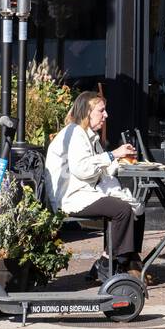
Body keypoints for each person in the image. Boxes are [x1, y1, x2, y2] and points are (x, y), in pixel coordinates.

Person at [44, 90, 144, 277]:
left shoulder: (89, 136)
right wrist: (113, 154)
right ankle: (110, 264)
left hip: (86, 191)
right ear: (87, 112)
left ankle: (125, 261)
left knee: (136, 206)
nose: (106, 115)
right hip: (72, 197)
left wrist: (120, 159)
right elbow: (82, 169)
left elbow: (101, 170)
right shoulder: (75, 133)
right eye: (101, 111)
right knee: (122, 210)